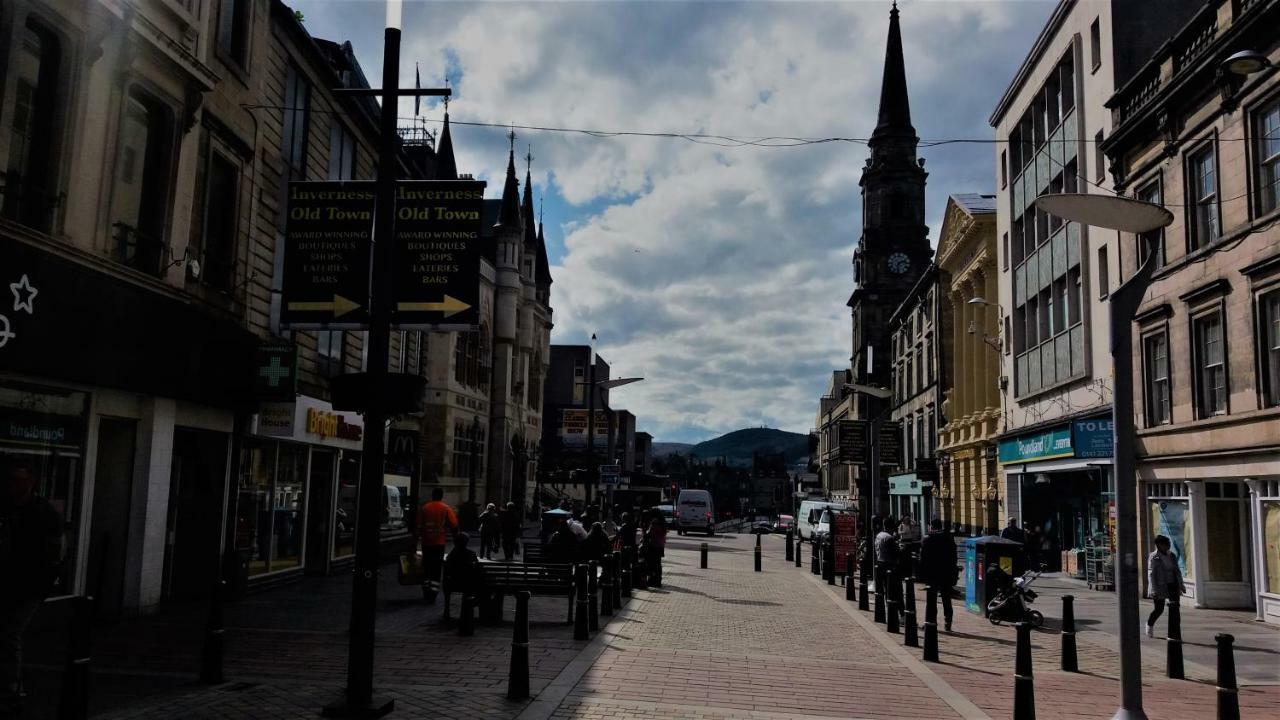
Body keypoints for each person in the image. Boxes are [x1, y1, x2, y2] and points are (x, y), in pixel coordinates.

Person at [1, 461, 63, 705]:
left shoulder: (43, 513)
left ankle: (11, 685)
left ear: (32, 482)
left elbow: (54, 552)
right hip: (11, 581)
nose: (16, 485)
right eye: (13, 480)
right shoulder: (8, 507)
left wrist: (44, 581)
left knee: (10, 632)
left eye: (21, 480)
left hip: (28, 585)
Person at [417, 487, 458, 603]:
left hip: (426, 543)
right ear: (441, 496)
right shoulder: (445, 508)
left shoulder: (425, 508)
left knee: (426, 568)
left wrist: (414, 543)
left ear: (432, 495)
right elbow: (454, 525)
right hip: (439, 543)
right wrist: (456, 542)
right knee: (436, 570)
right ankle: (433, 594)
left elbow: (418, 527)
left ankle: (426, 591)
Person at [919, 518, 958, 631]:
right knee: (946, 597)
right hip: (946, 573)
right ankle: (948, 621)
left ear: (931, 526)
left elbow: (923, 559)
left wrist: (922, 574)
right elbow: (954, 556)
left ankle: (931, 621)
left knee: (931, 599)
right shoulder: (949, 538)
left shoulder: (927, 539)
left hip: (932, 574)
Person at [1146, 534, 1185, 638]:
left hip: (1173, 584)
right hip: (1160, 586)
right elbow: (1151, 574)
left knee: (1175, 608)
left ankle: (1175, 631)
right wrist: (1153, 589)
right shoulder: (1154, 557)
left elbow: (1177, 571)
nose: (1168, 546)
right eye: (1166, 544)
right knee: (1159, 609)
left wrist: (1181, 584)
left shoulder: (1172, 555)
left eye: (1169, 544)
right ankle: (1149, 624)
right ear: (1159, 545)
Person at [442, 531, 482, 616]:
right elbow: (477, 569)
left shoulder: (451, 556)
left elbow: (446, 571)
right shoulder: (471, 554)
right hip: (467, 584)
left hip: (452, 583)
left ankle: (446, 611)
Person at [643, 516, 668, 587]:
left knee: (652, 563)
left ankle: (652, 580)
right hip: (661, 546)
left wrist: (646, 531)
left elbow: (649, 534)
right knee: (658, 563)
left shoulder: (654, 524)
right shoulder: (663, 524)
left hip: (654, 545)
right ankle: (658, 580)